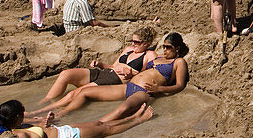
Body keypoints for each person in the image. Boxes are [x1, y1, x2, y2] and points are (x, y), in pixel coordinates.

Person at [46, 33, 188, 120]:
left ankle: (98, 124)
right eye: (164, 46)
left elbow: (180, 85)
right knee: (84, 92)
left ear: (177, 49)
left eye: (168, 47)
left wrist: (159, 89)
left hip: (144, 91)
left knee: (122, 109)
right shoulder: (159, 58)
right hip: (128, 86)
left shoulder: (179, 62)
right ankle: (58, 115)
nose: (164, 50)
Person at [37, 28, 157, 106]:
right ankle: (44, 101)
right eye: (132, 41)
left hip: (114, 80)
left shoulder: (149, 55)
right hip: (105, 72)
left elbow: (152, 74)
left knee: (76, 92)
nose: (132, 44)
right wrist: (99, 64)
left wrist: (132, 73)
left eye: (136, 42)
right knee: (66, 74)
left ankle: (44, 110)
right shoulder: (128, 50)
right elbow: (113, 66)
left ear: (145, 43)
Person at [1, 99, 155, 138]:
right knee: (107, 130)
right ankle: (139, 121)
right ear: (17, 117)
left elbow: (40, 132)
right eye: (23, 112)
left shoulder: (19, 127)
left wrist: (46, 122)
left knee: (99, 123)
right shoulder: (18, 136)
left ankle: (133, 116)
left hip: (62, 131)